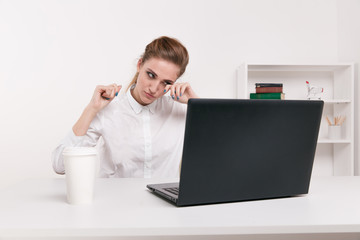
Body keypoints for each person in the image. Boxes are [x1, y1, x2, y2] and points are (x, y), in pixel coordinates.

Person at [52, 36, 198, 178]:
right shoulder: (109, 109)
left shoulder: (181, 110)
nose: (154, 89)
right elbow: (60, 166)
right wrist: (91, 109)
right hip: (116, 201)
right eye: (151, 75)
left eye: (165, 82)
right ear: (140, 65)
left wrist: (195, 102)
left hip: (163, 203)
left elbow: (218, 145)